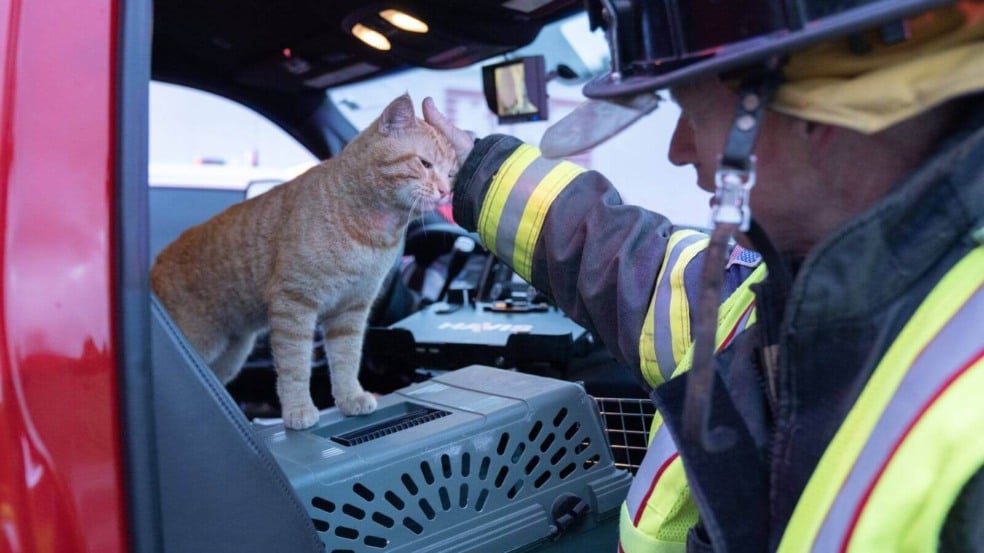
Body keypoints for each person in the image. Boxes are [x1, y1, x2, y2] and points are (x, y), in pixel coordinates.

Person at [421, 0, 984, 550]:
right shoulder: (786, 286)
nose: (678, 150)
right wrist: (478, 171)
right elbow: (631, 265)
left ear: (825, 110)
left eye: (693, 113)